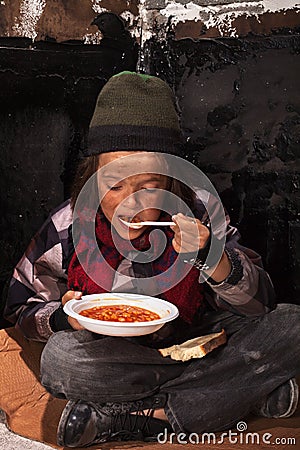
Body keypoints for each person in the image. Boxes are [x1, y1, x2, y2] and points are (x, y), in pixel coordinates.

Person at [3, 72, 300, 448]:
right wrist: (64, 317)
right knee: (62, 360)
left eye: (149, 186)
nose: (131, 203)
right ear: (93, 178)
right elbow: (21, 305)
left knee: (293, 324)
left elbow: (261, 305)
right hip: (112, 356)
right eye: (115, 186)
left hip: (199, 340)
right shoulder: (70, 223)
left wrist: (213, 257)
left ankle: (142, 416)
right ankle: (237, 394)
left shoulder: (198, 210)